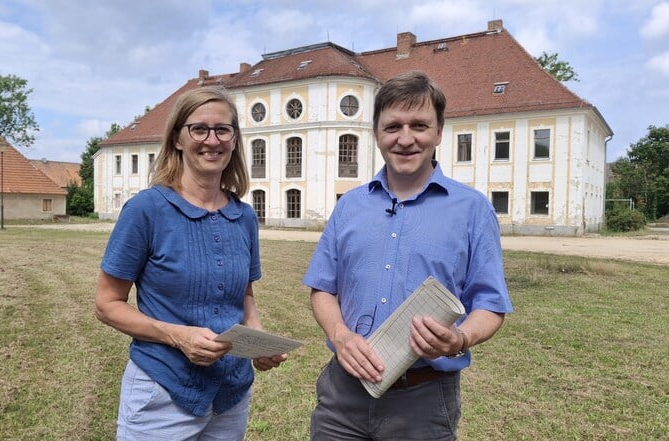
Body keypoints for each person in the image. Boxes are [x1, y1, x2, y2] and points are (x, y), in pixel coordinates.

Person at [303, 71, 513, 441]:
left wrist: (460, 338)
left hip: (423, 400)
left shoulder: (472, 210)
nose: (405, 139)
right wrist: (339, 335)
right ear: (376, 133)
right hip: (343, 397)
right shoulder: (349, 206)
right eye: (393, 126)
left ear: (439, 132)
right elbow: (322, 288)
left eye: (419, 125)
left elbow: (491, 304)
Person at [95, 86, 287, 441]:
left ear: (234, 140)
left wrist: (257, 338)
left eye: (222, 130)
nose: (211, 140)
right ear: (178, 139)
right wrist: (178, 336)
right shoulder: (146, 211)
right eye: (199, 129)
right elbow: (107, 305)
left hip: (231, 395)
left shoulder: (244, 217)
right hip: (162, 392)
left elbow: (245, 295)